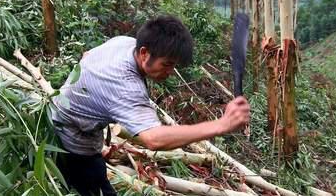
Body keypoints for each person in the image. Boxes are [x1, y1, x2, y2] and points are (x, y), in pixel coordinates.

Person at [51, 15, 250, 196]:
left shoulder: (125, 43)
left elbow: (87, 55)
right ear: (144, 53)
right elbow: (153, 139)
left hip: (67, 122)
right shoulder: (125, 85)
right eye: (167, 64)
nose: (171, 71)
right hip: (72, 142)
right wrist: (222, 125)